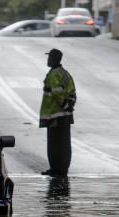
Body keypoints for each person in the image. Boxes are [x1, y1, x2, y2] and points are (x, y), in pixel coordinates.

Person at [39, 48, 76, 177]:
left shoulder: (54, 74)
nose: (48, 60)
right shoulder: (65, 73)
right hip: (65, 117)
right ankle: (62, 169)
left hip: (55, 117)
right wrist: (69, 107)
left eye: (49, 58)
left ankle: (56, 169)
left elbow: (57, 94)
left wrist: (64, 106)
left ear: (54, 59)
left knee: (54, 145)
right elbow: (72, 92)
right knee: (64, 145)